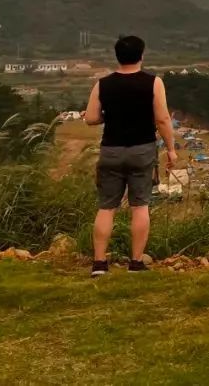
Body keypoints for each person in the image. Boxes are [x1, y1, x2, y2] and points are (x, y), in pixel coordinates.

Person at [82, 35, 175, 277]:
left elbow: (91, 118)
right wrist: (172, 149)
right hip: (142, 149)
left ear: (117, 56)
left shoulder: (102, 84)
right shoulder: (153, 83)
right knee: (140, 206)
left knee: (106, 207)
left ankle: (100, 264)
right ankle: (135, 263)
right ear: (141, 55)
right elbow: (163, 119)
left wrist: (109, 116)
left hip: (111, 149)